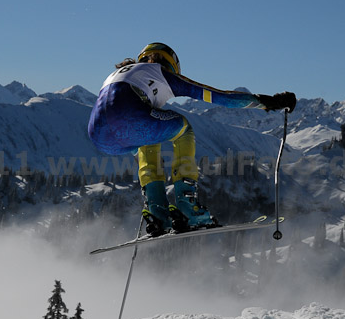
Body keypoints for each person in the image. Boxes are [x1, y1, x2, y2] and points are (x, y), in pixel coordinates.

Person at [88, 42, 296, 236]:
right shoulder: (161, 73)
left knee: (147, 141)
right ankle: (188, 207)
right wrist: (268, 102)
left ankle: (157, 213)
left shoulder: (119, 74)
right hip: (130, 118)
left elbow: (114, 112)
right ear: (169, 63)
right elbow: (221, 97)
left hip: (99, 136)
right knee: (183, 128)